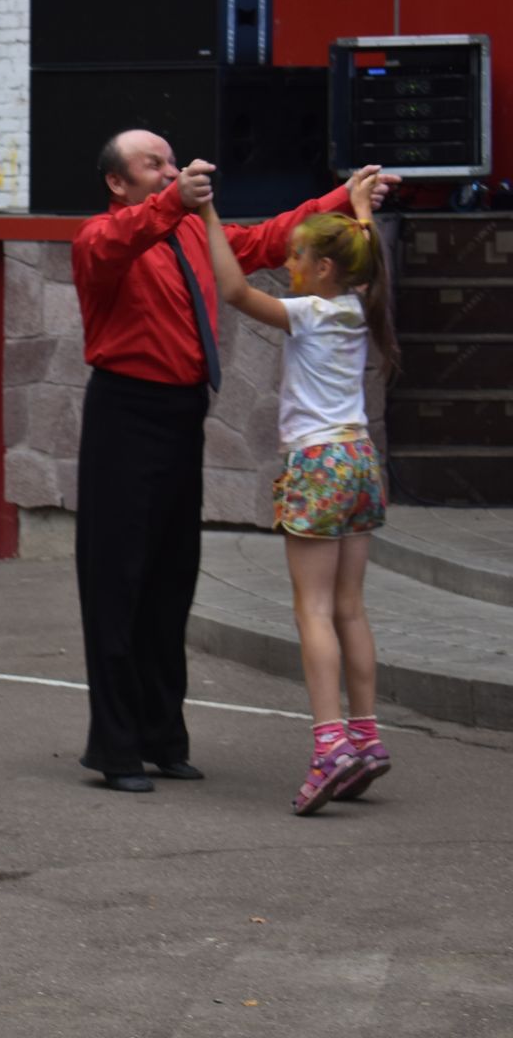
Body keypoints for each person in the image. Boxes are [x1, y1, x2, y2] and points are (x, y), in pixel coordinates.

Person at [71, 129, 395, 793]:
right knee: (117, 582)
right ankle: (117, 748)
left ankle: (163, 736)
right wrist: (175, 204)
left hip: (182, 413)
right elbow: (121, 243)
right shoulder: (101, 237)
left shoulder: (190, 229)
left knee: (172, 576)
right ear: (118, 182)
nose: (168, 171)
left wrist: (344, 196)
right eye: (151, 164)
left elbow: (273, 240)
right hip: (125, 415)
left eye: (170, 160)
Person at [201, 169, 398, 814]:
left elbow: (232, 290)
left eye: (295, 257)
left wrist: (208, 218)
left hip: (316, 465)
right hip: (361, 460)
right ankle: (365, 738)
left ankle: (329, 746)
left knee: (311, 609)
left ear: (321, 269)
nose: (287, 264)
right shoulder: (359, 302)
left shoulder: (311, 313)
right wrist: (362, 208)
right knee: (350, 607)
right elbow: (363, 247)